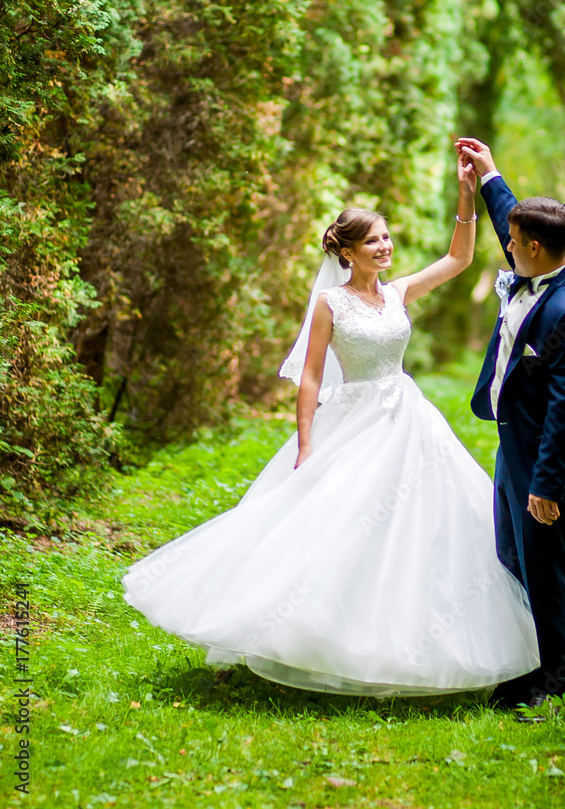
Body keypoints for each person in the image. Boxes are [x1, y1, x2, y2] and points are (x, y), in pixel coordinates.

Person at [121, 150, 540, 697]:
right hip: (356, 420)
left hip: (409, 419)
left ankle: (407, 638)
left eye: (387, 238)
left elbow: (459, 259)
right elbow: (313, 378)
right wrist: (305, 445)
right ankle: (310, 631)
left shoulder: (398, 293)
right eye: (373, 241)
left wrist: (467, 194)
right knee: (338, 521)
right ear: (346, 251)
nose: (385, 247)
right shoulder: (330, 304)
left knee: (425, 525)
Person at [456, 136, 565, 714]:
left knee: (543, 572)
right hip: (509, 446)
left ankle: (551, 680)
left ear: (534, 249)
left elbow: (564, 413)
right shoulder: (535, 264)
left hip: (543, 466)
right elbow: (508, 221)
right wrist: (490, 176)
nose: (504, 247)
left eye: (512, 243)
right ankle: (521, 666)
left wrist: (543, 485)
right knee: (510, 561)